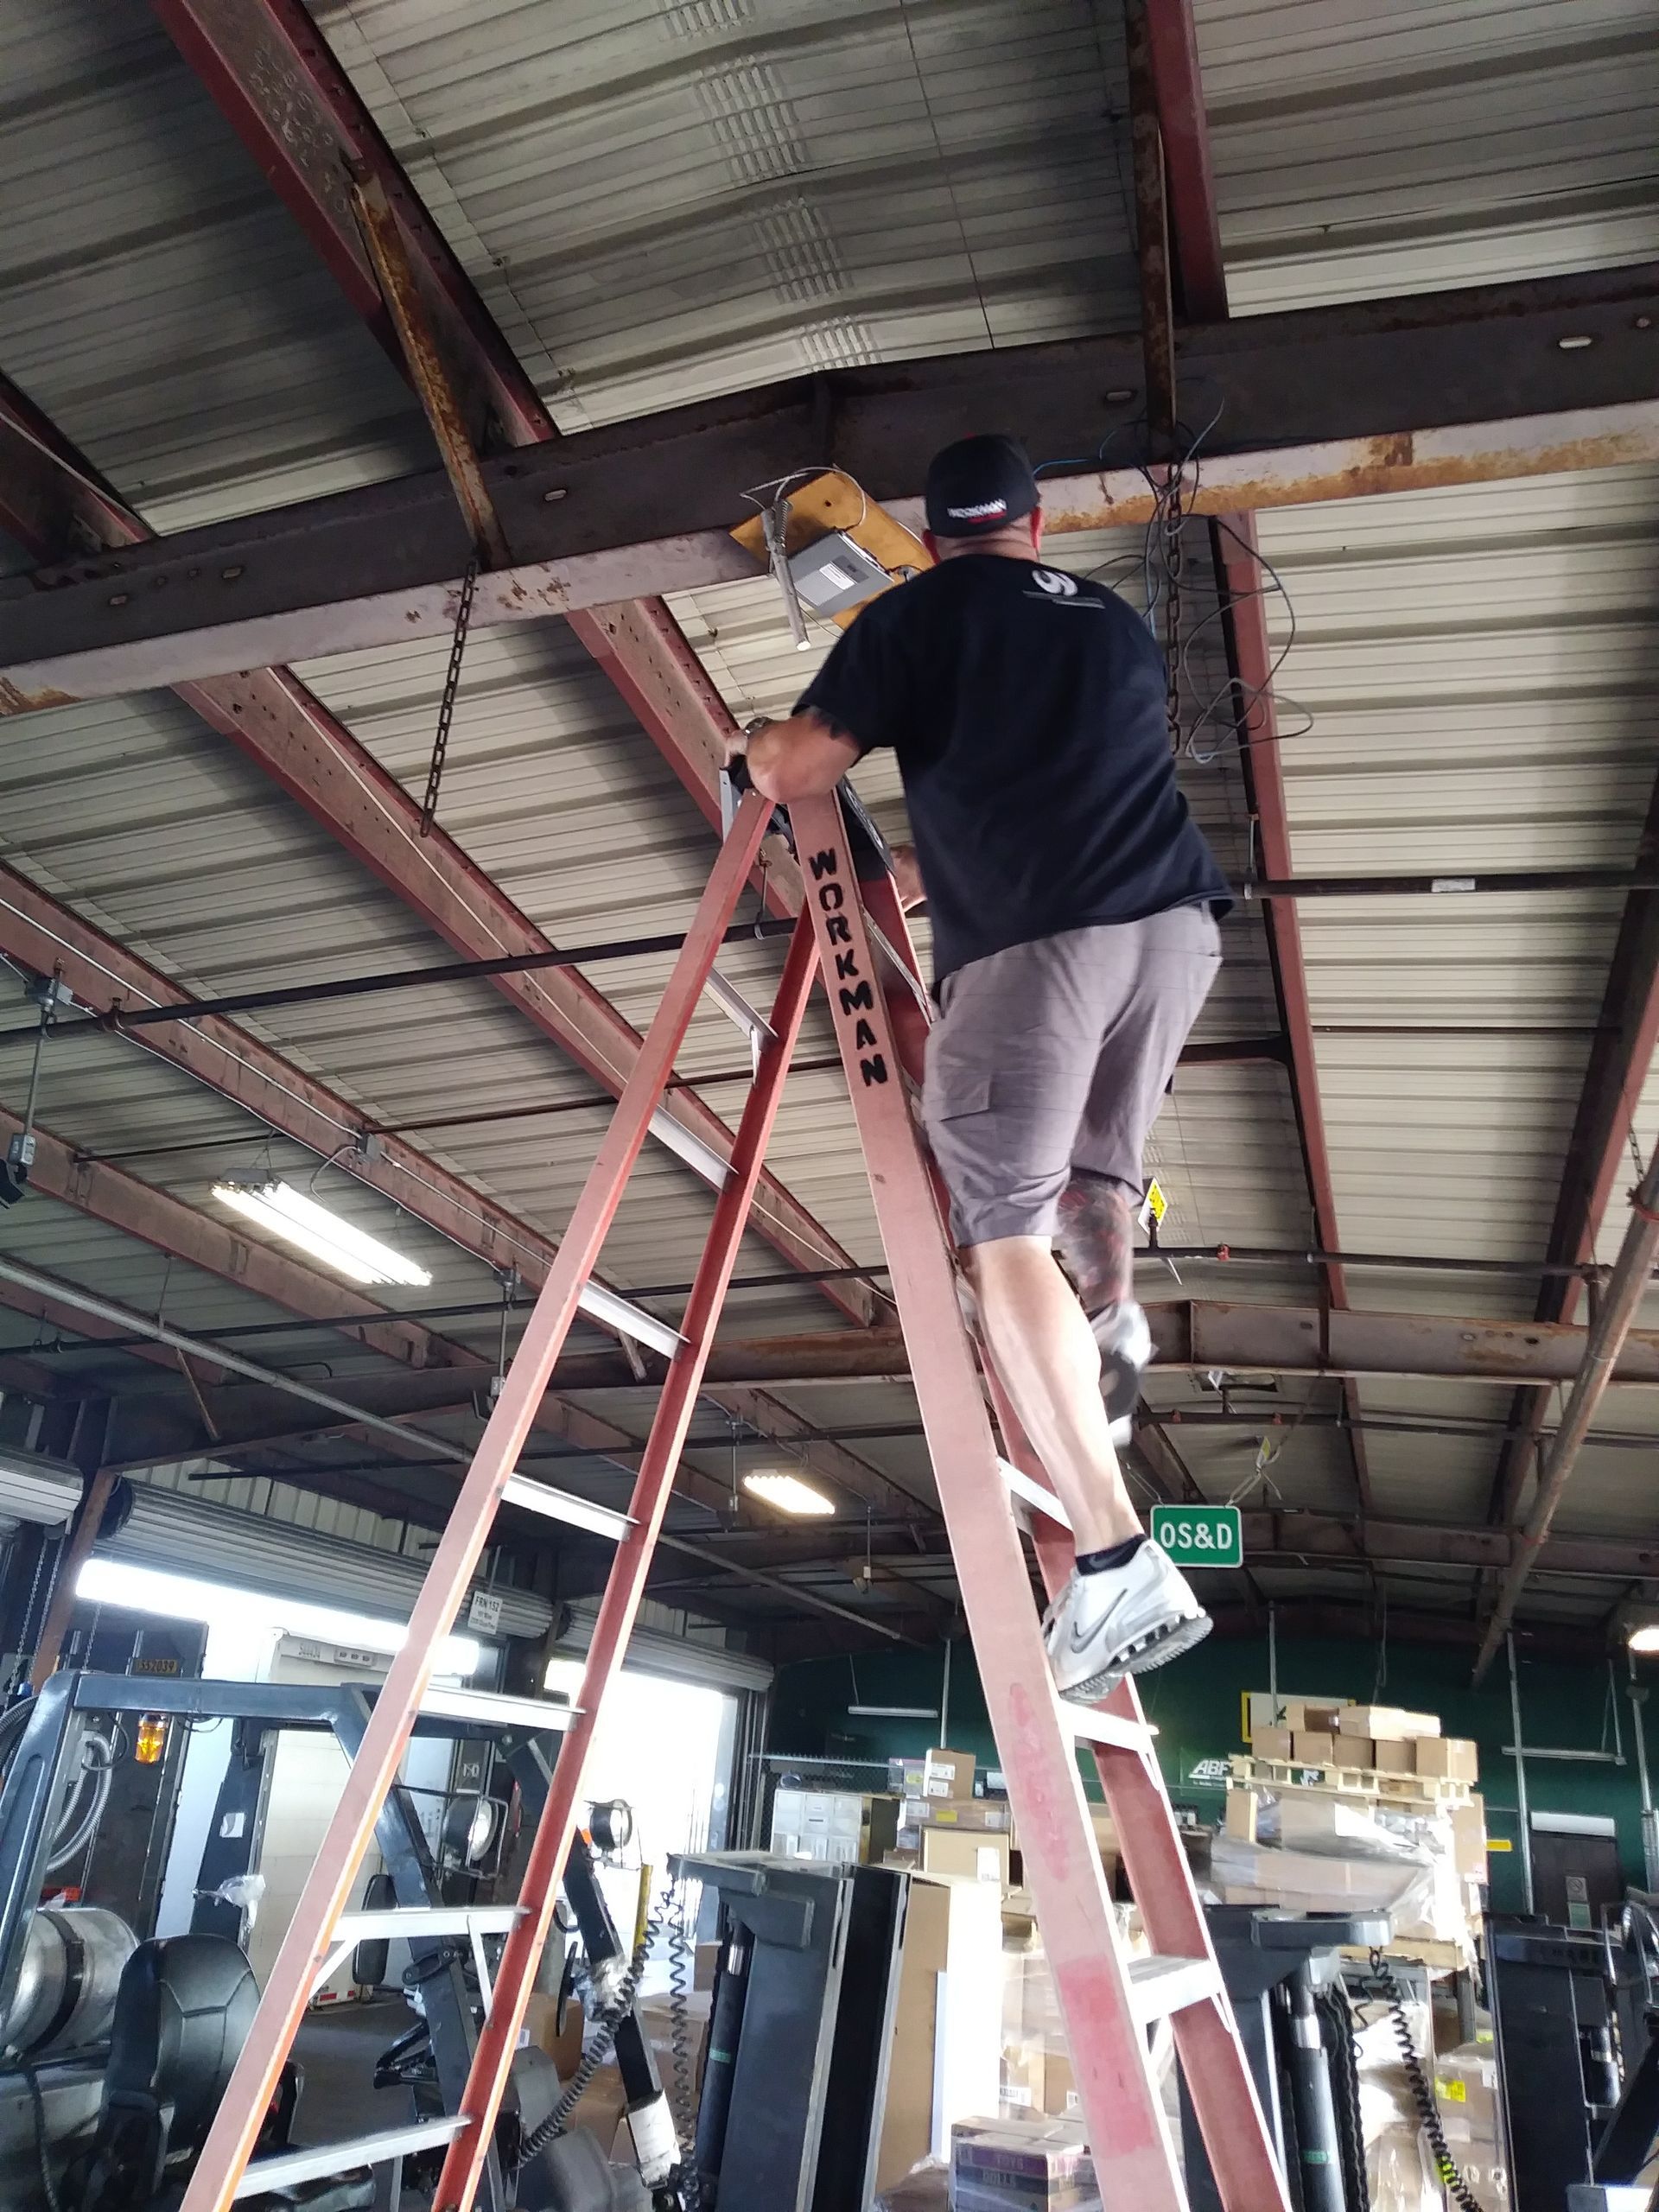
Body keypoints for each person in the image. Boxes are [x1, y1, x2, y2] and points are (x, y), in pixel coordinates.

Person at [730, 432, 1231, 1702]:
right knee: (1092, 1181)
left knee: (998, 1229)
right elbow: (1046, 781)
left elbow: (800, 769)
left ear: (930, 535)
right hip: (1173, 929)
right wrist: (915, 874)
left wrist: (749, 747)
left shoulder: (918, 615)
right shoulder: (1110, 622)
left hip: (1036, 951)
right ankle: (1107, 1322)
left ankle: (1115, 1559)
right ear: (1039, 523)